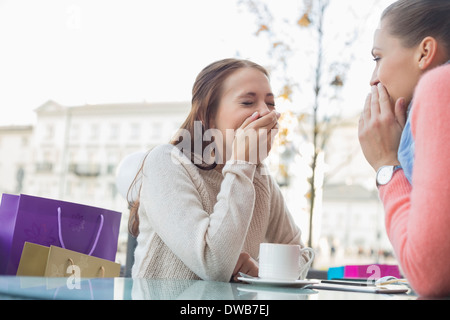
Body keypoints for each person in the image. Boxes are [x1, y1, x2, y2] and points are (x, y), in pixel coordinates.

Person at [130, 58, 312, 282]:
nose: (266, 113)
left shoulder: (260, 179)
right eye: (247, 102)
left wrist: (262, 270)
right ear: (208, 116)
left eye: (271, 104)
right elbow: (213, 264)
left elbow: (301, 255)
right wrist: (243, 162)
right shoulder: (167, 162)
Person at [358, 0, 450, 297]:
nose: (373, 79)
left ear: (424, 52)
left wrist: (386, 165)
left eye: (377, 57)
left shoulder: (440, 86)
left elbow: (430, 276)